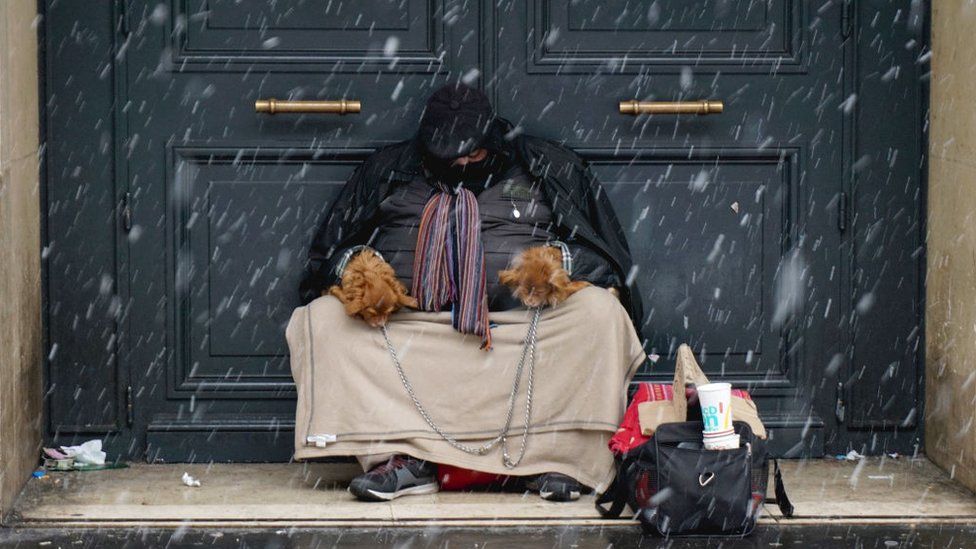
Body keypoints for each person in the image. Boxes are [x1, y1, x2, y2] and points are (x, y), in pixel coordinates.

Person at [289, 83, 647, 502]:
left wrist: (557, 264)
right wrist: (358, 270)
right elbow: (325, 258)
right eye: (448, 154)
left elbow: (609, 262)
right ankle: (399, 458)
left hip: (522, 332)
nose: (460, 161)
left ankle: (561, 461)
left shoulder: (547, 167)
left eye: (471, 152)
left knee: (599, 312)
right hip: (413, 334)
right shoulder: (388, 170)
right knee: (321, 319)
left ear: (491, 140)